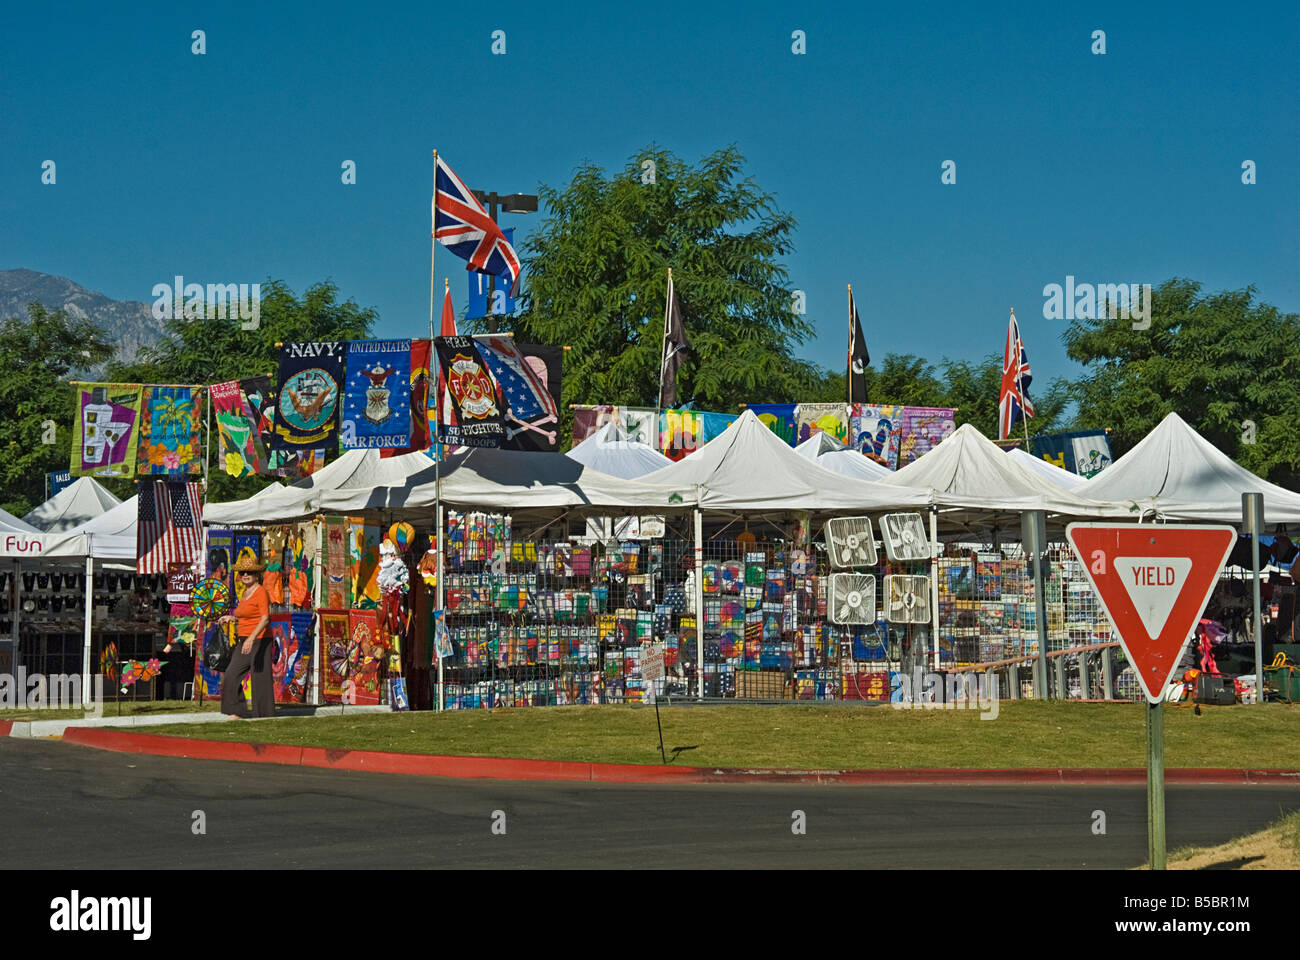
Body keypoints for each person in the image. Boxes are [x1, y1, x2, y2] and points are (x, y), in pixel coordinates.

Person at [217, 554, 273, 718]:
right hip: (245, 639)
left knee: (259, 678)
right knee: (231, 674)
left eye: (249, 572)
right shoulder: (245, 593)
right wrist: (232, 618)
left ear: (256, 575)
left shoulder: (261, 591)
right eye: (242, 573)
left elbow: (265, 618)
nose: (245, 575)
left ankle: (263, 715)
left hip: (260, 640)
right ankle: (237, 710)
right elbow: (247, 615)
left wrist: (251, 638)